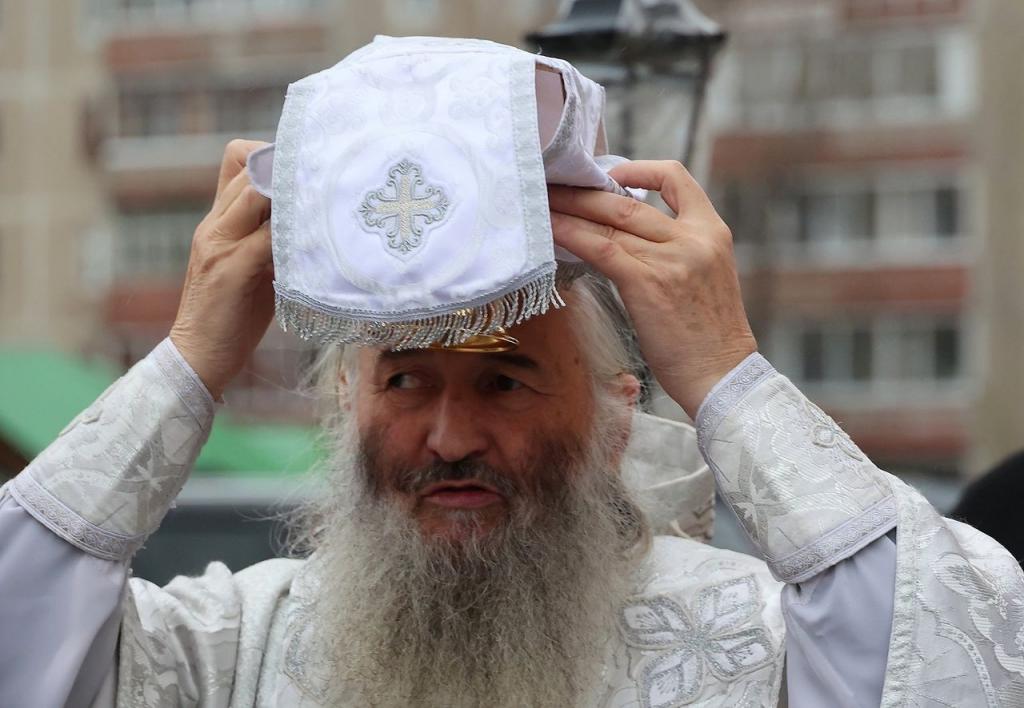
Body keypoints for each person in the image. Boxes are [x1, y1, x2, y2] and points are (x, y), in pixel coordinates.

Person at [2, 37, 1022, 708]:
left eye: (505, 380)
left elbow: (944, 650)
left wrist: (724, 372)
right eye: (405, 381)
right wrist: (187, 364)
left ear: (615, 418)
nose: (449, 438)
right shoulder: (235, 645)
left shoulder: (753, 639)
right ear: (348, 404)